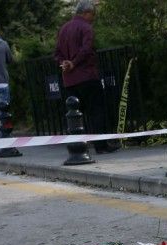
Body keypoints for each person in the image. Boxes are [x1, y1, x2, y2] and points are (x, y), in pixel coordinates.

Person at [55, 0, 117, 153]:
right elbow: (87, 49)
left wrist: (65, 63)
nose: (93, 17)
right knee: (96, 111)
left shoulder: (63, 29)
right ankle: (101, 146)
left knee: (75, 114)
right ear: (86, 12)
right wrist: (74, 63)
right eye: (93, 14)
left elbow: (56, 53)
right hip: (87, 76)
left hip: (69, 79)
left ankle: (78, 147)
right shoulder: (86, 27)